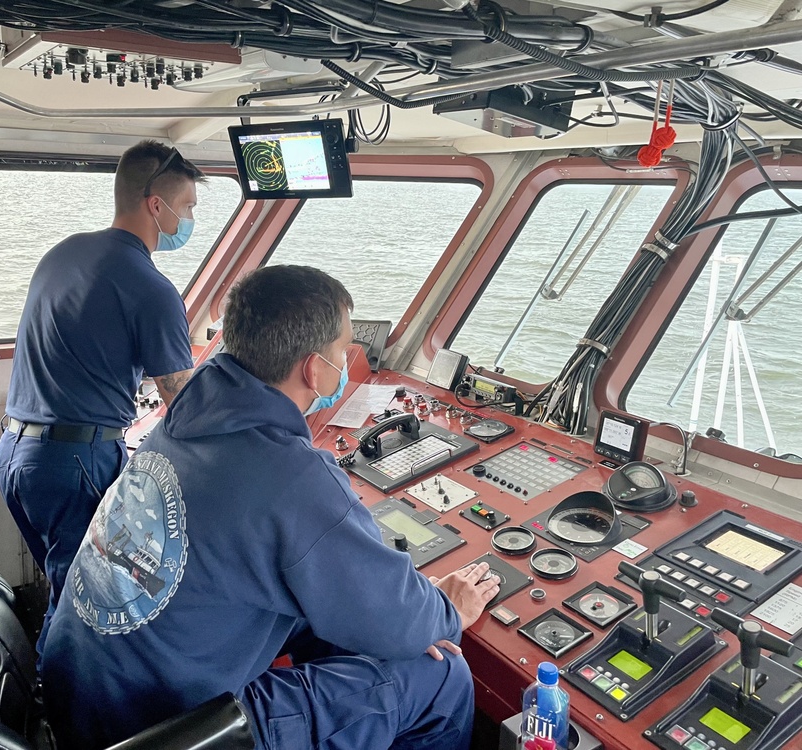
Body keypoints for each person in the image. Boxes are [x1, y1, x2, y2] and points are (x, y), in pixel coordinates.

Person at [42, 265, 501, 750]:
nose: (349, 361)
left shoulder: (186, 414)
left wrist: (394, 615)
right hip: (166, 727)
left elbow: (369, 605)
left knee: (338, 627)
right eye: (345, 350)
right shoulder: (292, 475)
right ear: (313, 368)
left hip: (80, 694)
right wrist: (446, 611)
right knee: (442, 673)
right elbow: (404, 621)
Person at [0, 141, 204, 656]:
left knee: (60, 584)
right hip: (73, 464)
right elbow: (188, 405)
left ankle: (49, 684)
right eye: (190, 206)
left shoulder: (63, 253)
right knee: (86, 603)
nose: (191, 218)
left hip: (14, 455)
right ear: (158, 205)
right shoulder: (151, 288)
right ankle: (60, 710)